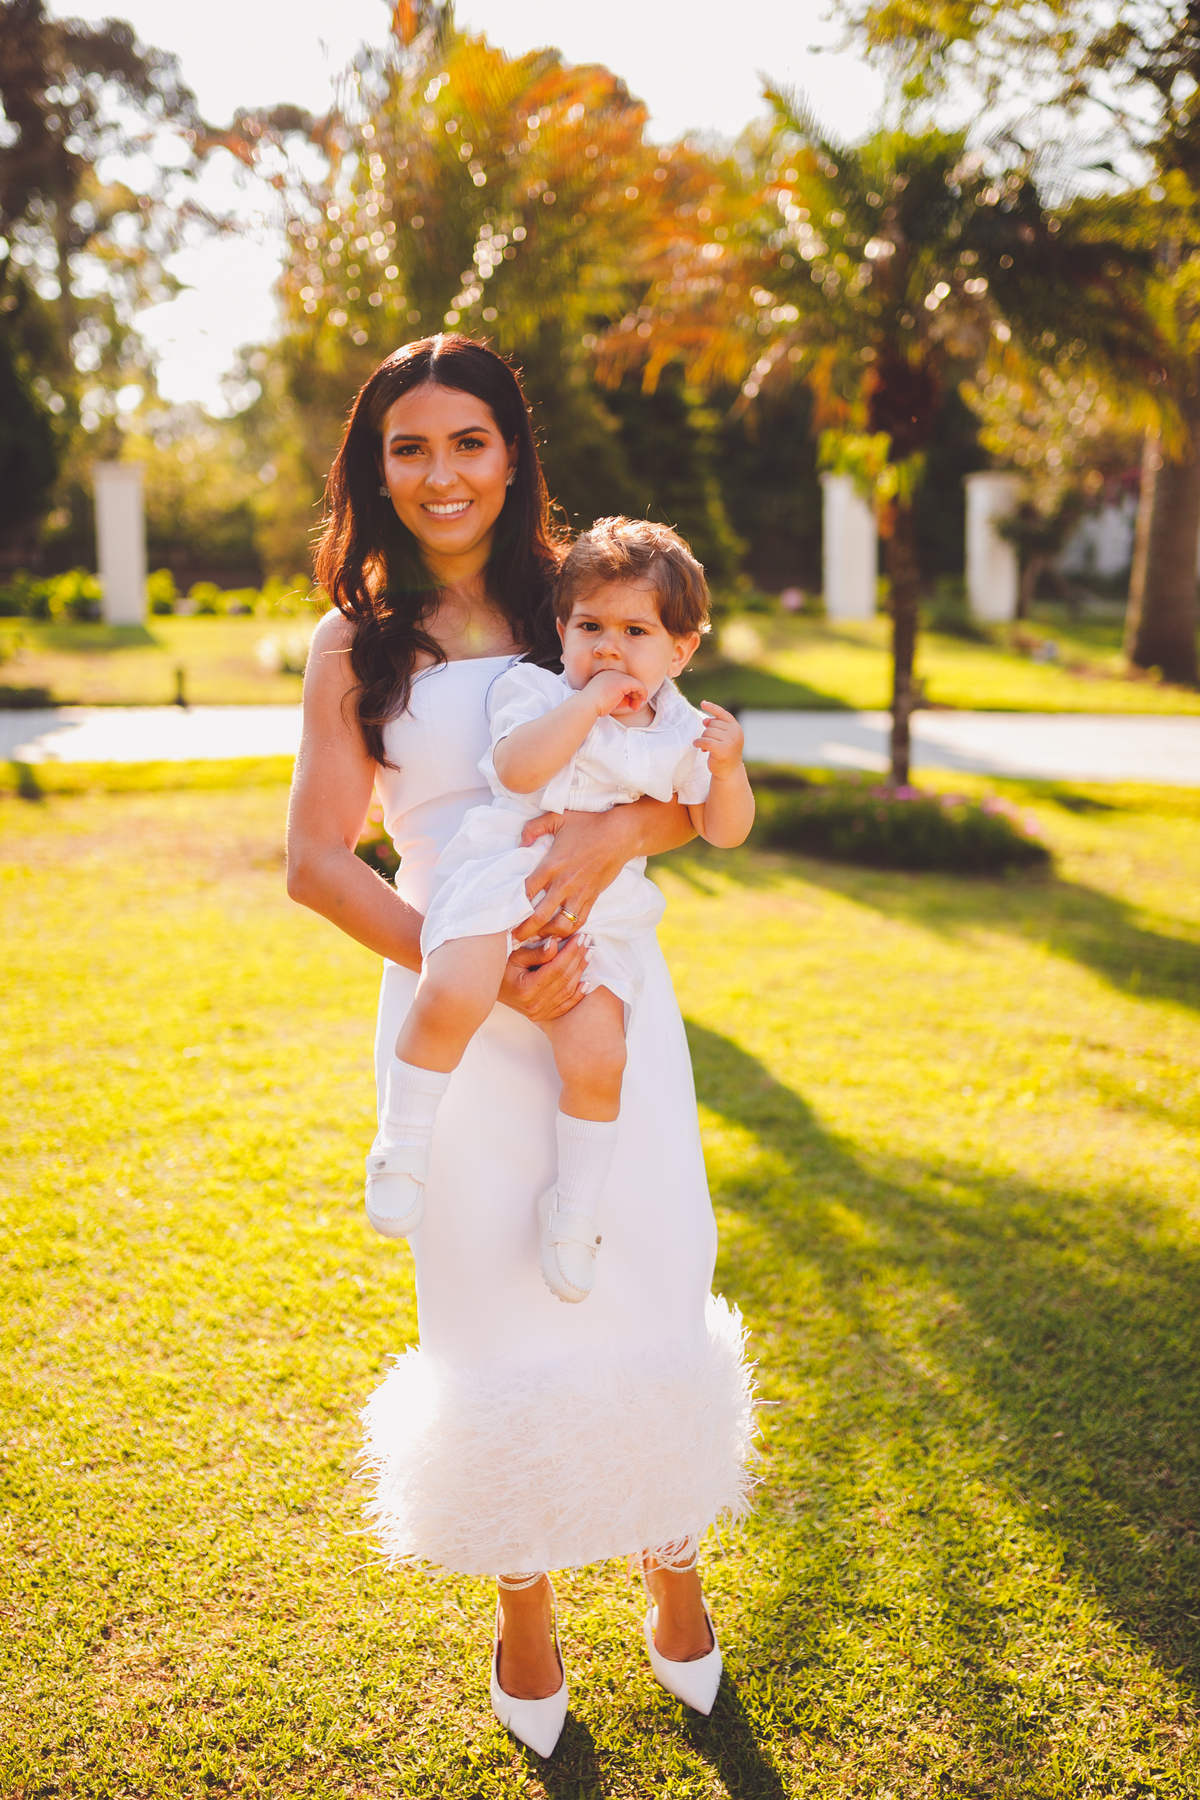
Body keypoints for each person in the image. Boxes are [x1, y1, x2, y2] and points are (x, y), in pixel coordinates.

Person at [286, 333, 755, 1758]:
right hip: (464, 1002)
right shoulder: (353, 640)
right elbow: (317, 861)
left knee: (645, 1271)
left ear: (512, 452)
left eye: (468, 443)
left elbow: (680, 770)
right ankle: (527, 1617)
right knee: (494, 1311)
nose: (441, 474)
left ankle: (675, 1584)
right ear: (377, 464)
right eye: (409, 447)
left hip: (613, 996)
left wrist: (621, 829)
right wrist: (488, 980)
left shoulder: (585, 598)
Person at [367, 516, 756, 1309]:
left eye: (635, 631)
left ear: (679, 651)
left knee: (598, 1057)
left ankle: (574, 1209)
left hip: (600, 915)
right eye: (590, 627)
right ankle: (402, 1143)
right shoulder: (539, 691)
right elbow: (516, 770)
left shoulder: (682, 730)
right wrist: (582, 708)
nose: (608, 648)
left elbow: (720, 829)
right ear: (561, 630)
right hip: (499, 872)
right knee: (449, 993)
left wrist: (729, 770)